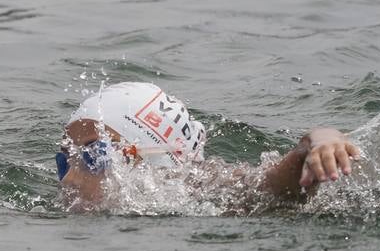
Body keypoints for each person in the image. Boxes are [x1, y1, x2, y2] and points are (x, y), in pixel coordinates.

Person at [56, 81, 361, 213]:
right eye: (63, 160)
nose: (69, 177)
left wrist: (321, 145)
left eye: (94, 156)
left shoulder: (209, 191)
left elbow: (279, 185)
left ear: (153, 162)